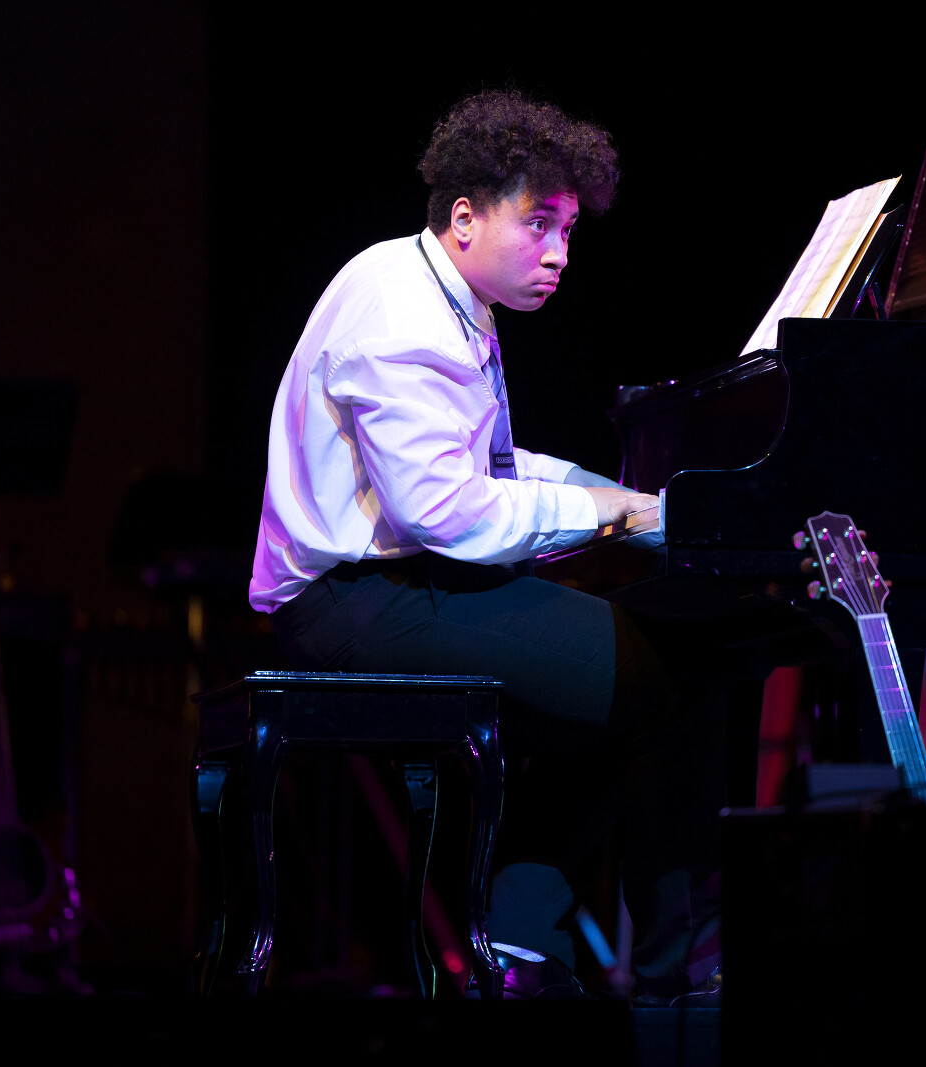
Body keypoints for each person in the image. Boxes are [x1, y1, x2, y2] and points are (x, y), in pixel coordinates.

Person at [249, 90, 723, 1001]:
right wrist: (613, 515)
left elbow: (494, 464)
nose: (560, 253)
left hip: (390, 585)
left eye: (568, 230)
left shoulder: (443, 293)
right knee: (669, 674)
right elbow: (448, 512)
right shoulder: (403, 316)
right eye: (539, 223)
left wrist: (621, 498)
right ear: (465, 218)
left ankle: (519, 946)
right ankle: (684, 982)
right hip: (349, 605)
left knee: (611, 690)